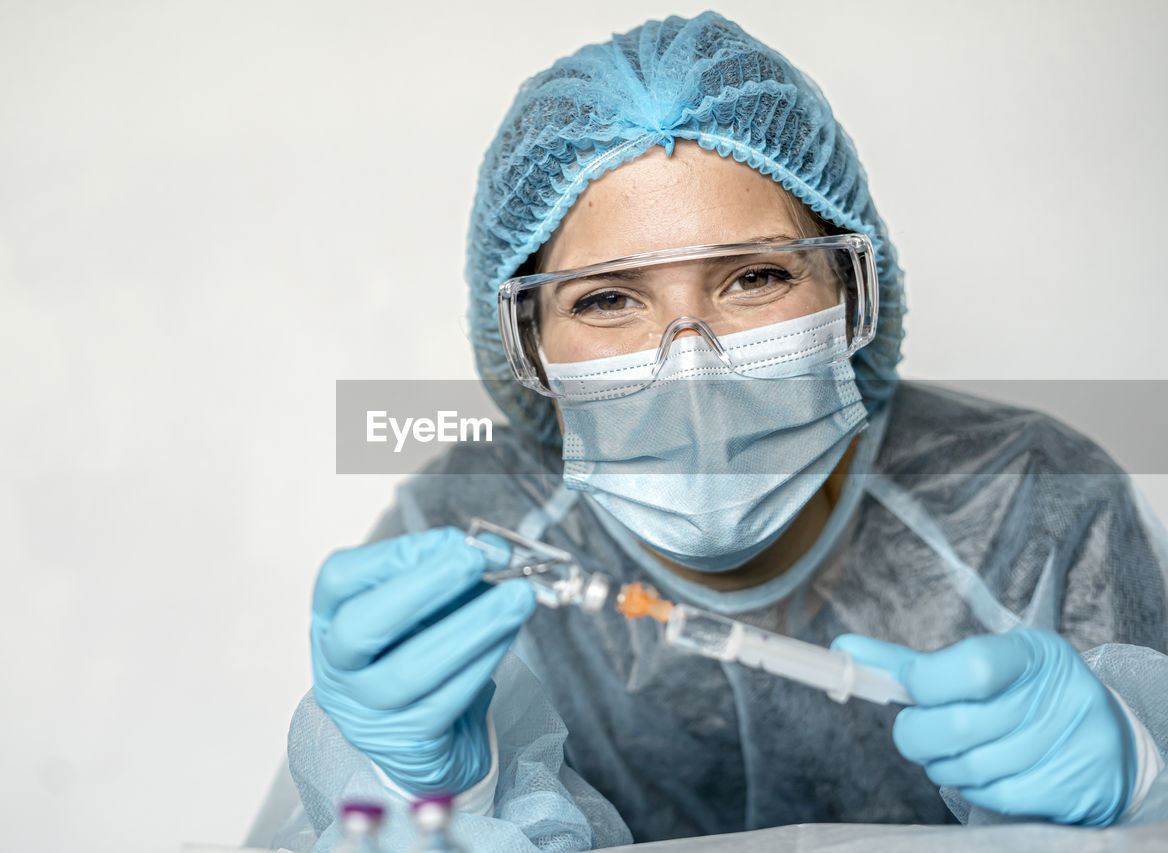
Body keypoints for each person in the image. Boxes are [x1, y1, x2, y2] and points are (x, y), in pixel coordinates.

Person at [270, 12, 1168, 851]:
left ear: (852, 292)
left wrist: (1144, 776)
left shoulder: (1036, 502)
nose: (691, 364)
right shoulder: (462, 534)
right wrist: (421, 798)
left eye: (755, 277)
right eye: (608, 297)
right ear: (528, 346)